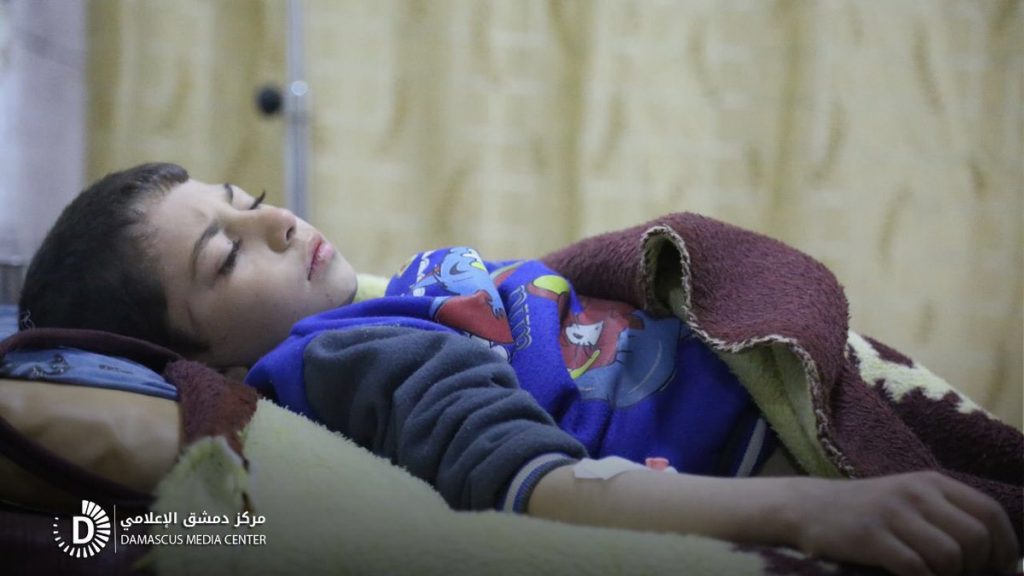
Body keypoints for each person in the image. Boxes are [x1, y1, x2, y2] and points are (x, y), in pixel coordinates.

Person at [18, 163, 1020, 576]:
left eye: (245, 199)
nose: (276, 221)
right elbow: (537, 489)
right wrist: (812, 512)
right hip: (773, 465)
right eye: (226, 258)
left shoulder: (385, 302)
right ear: (210, 362)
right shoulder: (339, 358)